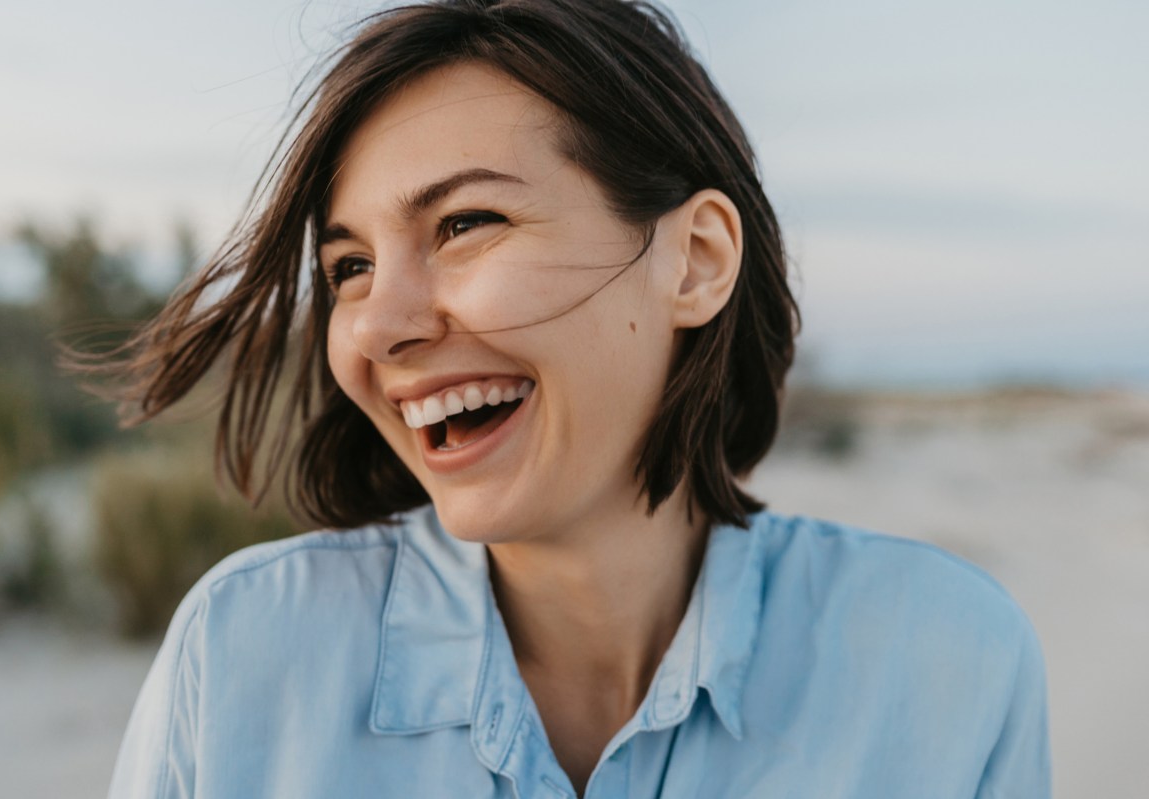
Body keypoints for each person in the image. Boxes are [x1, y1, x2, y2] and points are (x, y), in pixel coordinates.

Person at [104, 1, 1051, 797]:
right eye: (349, 266)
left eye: (466, 222)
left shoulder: (945, 659)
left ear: (697, 261)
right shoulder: (241, 657)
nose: (375, 325)